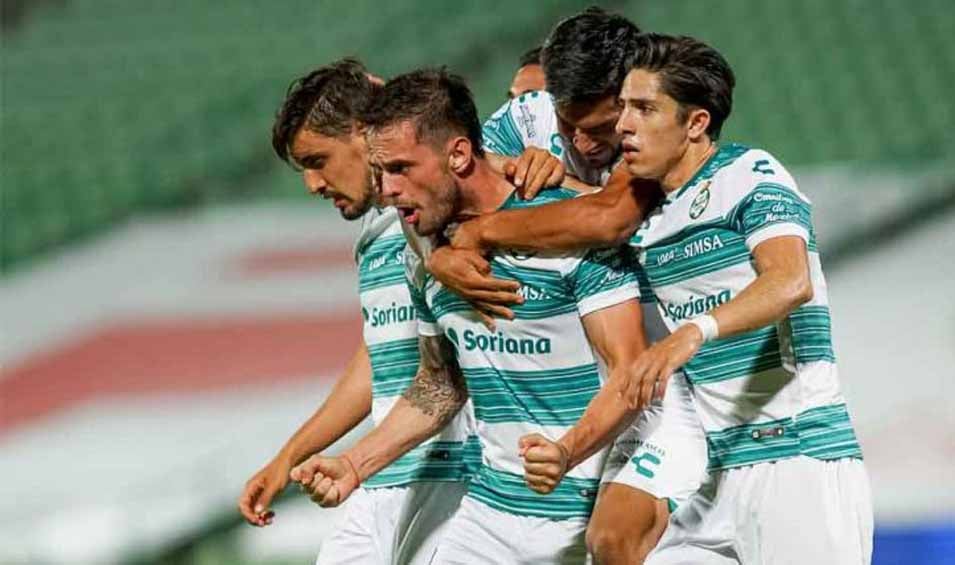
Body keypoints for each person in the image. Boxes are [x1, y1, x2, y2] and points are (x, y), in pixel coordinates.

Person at [291, 68, 649, 564]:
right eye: (380, 172)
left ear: (458, 154)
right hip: (492, 514)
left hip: (587, 509)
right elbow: (440, 384)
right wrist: (356, 463)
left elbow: (631, 373)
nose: (387, 191)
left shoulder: (566, 233)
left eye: (400, 169)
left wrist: (567, 451)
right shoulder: (425, 253)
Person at [433, 9, 708, 564]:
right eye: (568, 124)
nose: (583, 141)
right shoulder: (525, 117)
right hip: (584, 385)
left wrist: (482, 230)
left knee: (617, 539)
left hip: (673, 380)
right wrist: (442, 251)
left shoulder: (657, 130)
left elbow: (610, 218)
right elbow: (451, 187)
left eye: (600, 126)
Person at [617, 33, 873, 564]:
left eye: (644, 108)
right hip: (714, 474)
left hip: (797, 461)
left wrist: (693, 332)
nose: (624, 124)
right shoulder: (645, 216)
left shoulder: (748, 173)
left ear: (695, 123)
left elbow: (789, 281)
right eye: (623, 106)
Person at [237, 58, 477, 565]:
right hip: (385, 475)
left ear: (362, 134)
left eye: (317, 160)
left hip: (452, 472)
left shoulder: (441, 218)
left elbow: (448, 376)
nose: (312, 184)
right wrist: (288, 458)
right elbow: (381, 355)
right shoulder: (375, 235)